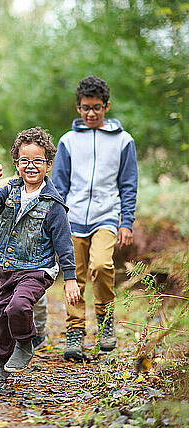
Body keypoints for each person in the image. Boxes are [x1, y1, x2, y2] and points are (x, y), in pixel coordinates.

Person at [0, 127, 80, 384]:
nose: (31, 166)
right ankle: (0, 363)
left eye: (37, 161)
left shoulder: (53, 204)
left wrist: (70, 278)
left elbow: (64, 243)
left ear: (48, 164)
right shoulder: (10, 190)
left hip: (38, 268)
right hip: (10, 265)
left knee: (19, 306)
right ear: (16, 163)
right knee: (2, 315)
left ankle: (25, 341)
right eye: (25, 161)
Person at [52, 76, 138, 361]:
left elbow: (128, 184)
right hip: (71, 218)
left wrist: (126, 221)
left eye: (97, 107)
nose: (91, 113)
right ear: (78, 107)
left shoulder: (123, 141)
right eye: (86, 107)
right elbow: (59, 186)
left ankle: (105, 321)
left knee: (101, 265)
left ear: (107, 106)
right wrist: (55, 222)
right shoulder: (68, 141)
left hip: (106, 216)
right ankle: (75, 332)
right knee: (73, 276)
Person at [0, 175, 48, 350]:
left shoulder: (44, 187)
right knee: (9, 302)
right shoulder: (3, 186)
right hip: (8, 257)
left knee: (37, 300)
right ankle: (14, 341)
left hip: (34, 258)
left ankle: (39, 332)